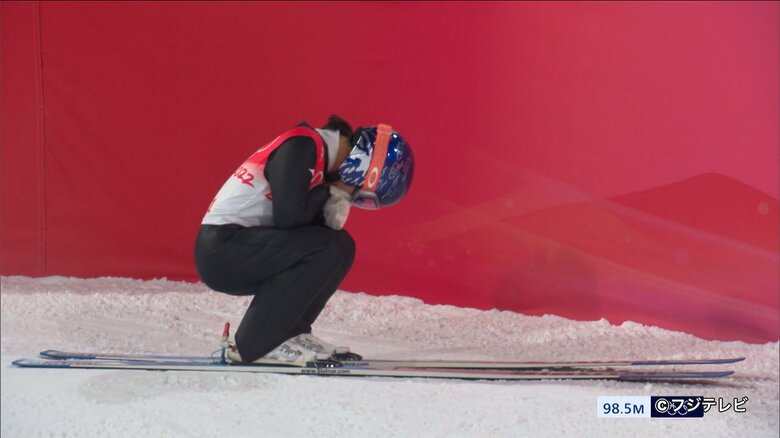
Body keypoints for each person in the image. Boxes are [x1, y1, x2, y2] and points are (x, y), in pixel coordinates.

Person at [194, 115, 415, 365]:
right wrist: (334, 191)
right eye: (359, 193)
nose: (353, 198)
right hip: (222, 249)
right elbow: (289, 217)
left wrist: (328, 197)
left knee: (341, 245)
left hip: (239, 245)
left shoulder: (317, 155)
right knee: (327, 247)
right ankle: (258, 343)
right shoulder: (302, 145)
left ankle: (290, 332)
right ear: (362, 167)